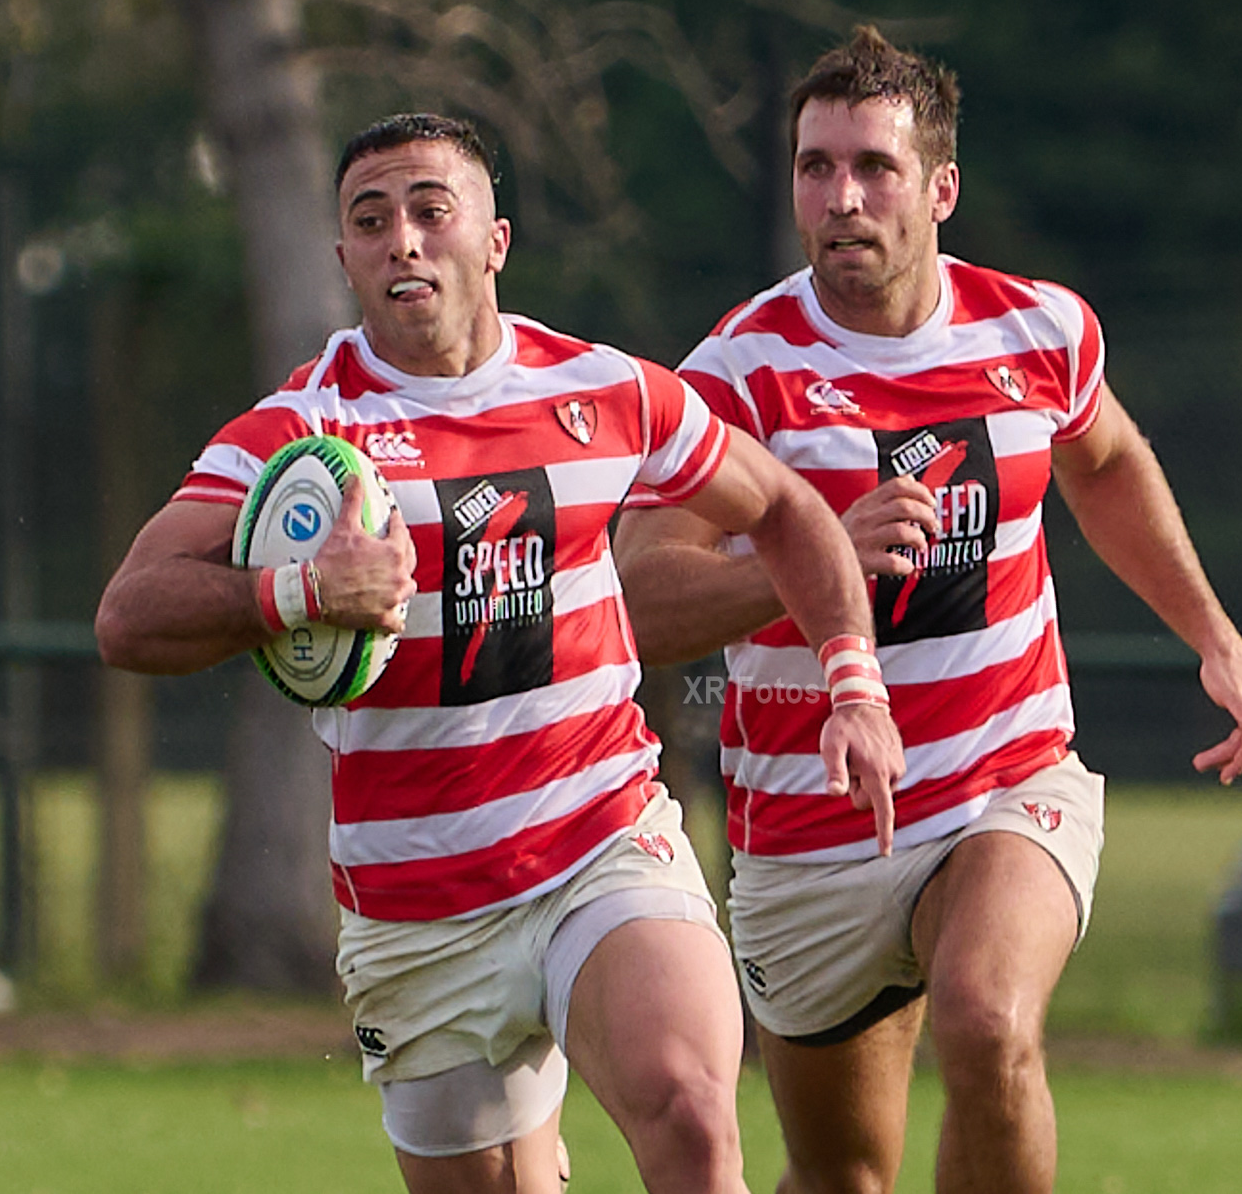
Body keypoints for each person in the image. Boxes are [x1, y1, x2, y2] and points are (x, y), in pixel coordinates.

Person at [95, 112, 904, 1194]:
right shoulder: (296, 434)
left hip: (598, 843)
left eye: (431, 210)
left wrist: (855, 685)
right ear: (343, 259)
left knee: (694, 1113)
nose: (404, 242)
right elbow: (128, 615)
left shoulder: (605, 391)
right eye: (371, 222)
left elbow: (790, 508)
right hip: (416, 903)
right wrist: (299, 589)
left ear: (495, 239)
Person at [613, 27, 1242, 1194]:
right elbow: (641, 597)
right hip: (816, 827)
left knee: (987, 1017)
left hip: (1004, 774)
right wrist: (813, 557)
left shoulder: (1039, 332)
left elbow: (1108, 463)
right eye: (815, 167)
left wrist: (1213, 634)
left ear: (941, 188)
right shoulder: (737, 374)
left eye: (873, 167)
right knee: (843, 1179)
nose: (841, 197)